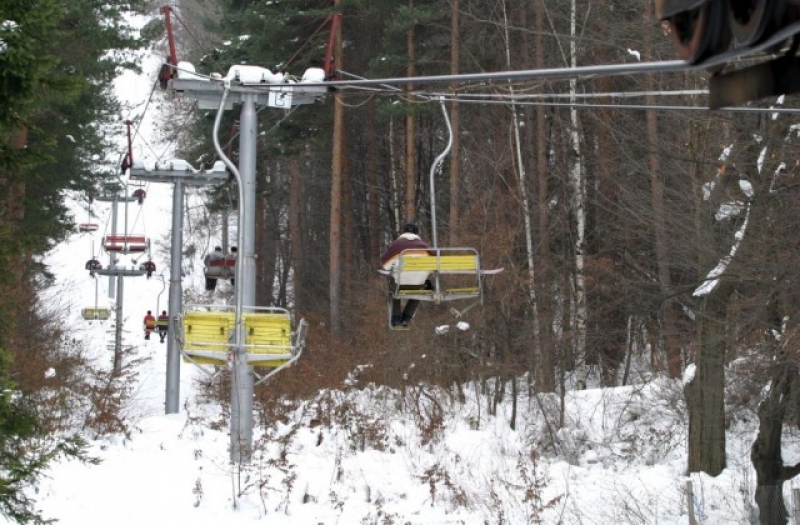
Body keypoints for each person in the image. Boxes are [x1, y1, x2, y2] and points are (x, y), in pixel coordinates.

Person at [380, 223, 433, 328]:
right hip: (419, 284)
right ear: (417, 233)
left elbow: (386, 265)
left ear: (403, 232)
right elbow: (434, 266)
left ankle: (395, 318)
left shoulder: (396, 245)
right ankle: (407, 318)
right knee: (421, 289)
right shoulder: (425, 246)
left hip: (401, 283)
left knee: (393, 290)